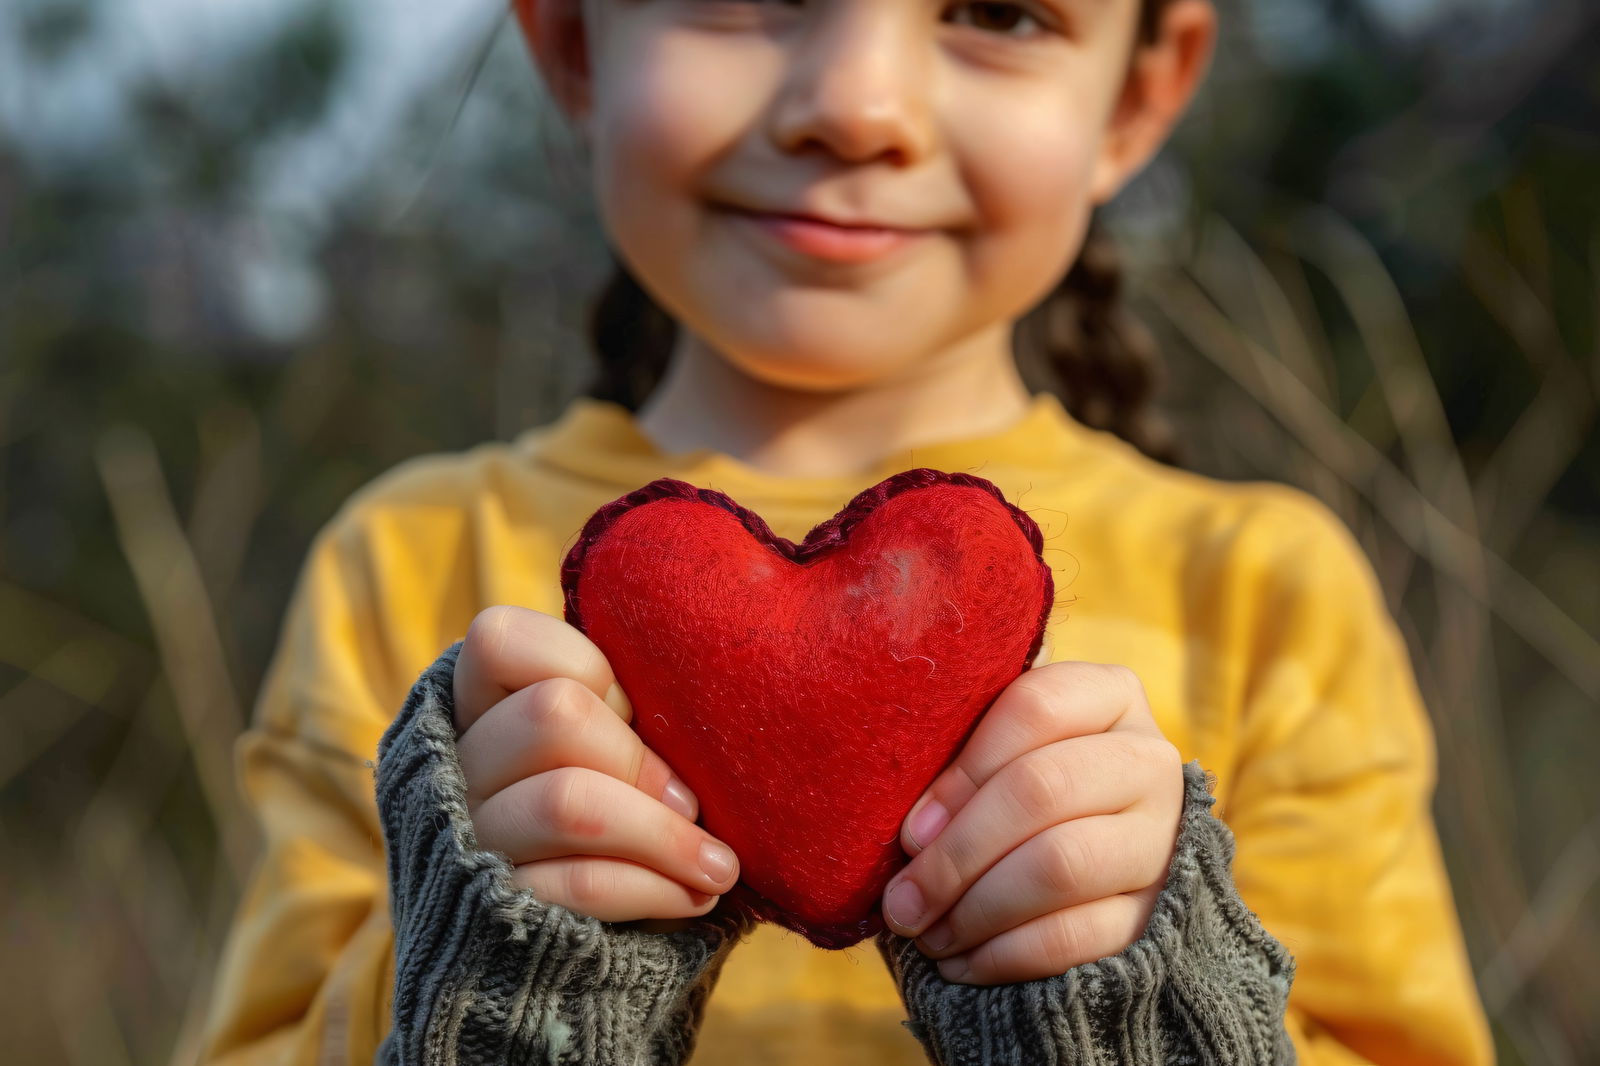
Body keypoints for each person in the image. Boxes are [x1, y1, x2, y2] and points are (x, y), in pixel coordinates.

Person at [197, 0, 1495, 1061]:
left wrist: (1141, 1013)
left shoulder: (1267, 590)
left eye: (998, 13)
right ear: (575, 40)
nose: (858, 106)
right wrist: (494, 981)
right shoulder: (406, 562)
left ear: (1142, 96)